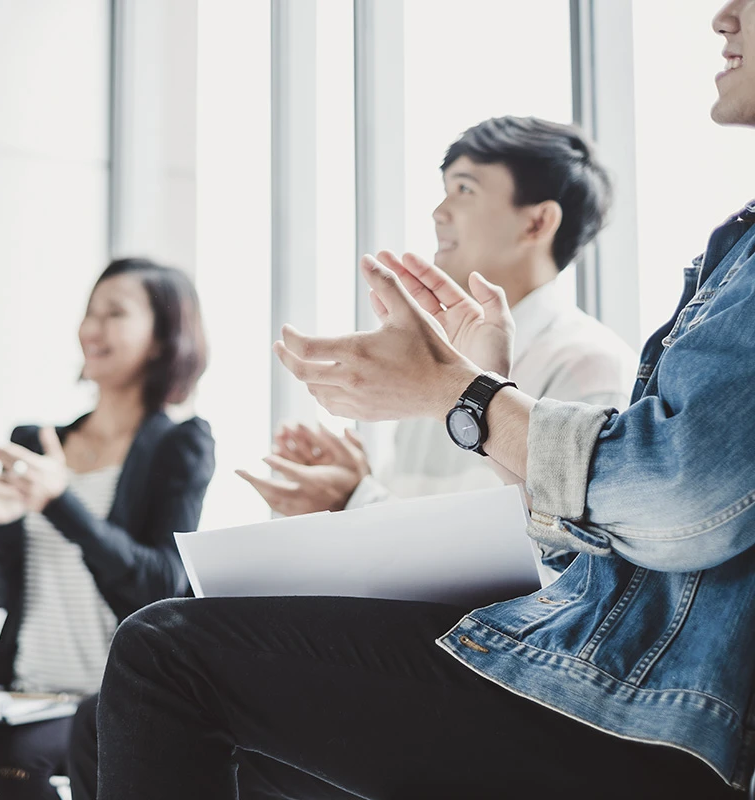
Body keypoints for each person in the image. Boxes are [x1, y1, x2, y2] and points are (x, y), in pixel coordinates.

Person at [95, 1, 754, 797]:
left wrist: (467, 398)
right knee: (206, 717)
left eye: (465, 189)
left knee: (165, 653)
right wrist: (458, 403)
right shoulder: (720, 253)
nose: (723, 15)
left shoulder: (583, 359)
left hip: (630, 697)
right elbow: (583, 541)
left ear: (537, 220)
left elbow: (673, 497)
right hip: (598, 664)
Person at [237, 116, 637, 525]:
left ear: (537, 222)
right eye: (445, 190)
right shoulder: (433, 361)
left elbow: (561, 561)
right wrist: (348, 493)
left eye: (465, 189)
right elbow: (414, 537)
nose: (438, 212)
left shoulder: (589, 365)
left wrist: (358, 500)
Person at [0, 258, 215, 800]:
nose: (91, 329)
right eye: (89, 312)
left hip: (107, 697)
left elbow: (160, 587)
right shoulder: (36, 442)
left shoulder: (179, 444)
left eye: (114, 313)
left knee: (15, 766)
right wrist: (0, 525)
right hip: (23, 691)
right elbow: (3, 594)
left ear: (164, 338)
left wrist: (59, 502)